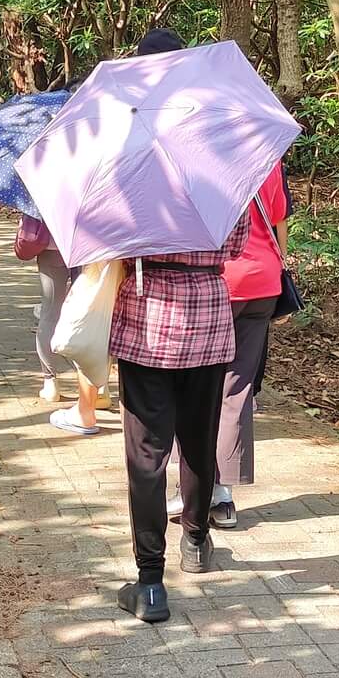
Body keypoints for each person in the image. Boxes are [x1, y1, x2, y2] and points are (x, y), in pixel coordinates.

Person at [110, 210, 250, 624]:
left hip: (147, 318)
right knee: (199, 438)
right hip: (208, 315)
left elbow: (114, 242)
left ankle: (151, 581)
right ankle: (195, 539)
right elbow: (237, 245)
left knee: (147, 455)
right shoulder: (226, 178)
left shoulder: (136, 180)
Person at [173, 161, 287, 530]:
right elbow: (280, 221)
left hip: (215, 283)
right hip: (263, 284)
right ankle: (223, 496)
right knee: (235, 389)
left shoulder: (196, 160)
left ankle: (190, 490)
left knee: (191, 386)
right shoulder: (268, 156)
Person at [16, 211, 101, 433]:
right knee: (92, 314)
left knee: (51, 312)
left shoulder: (43, 175)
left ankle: (50, 382)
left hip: (51, 245)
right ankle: (98, 388)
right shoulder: (92, 174)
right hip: (90, 244)